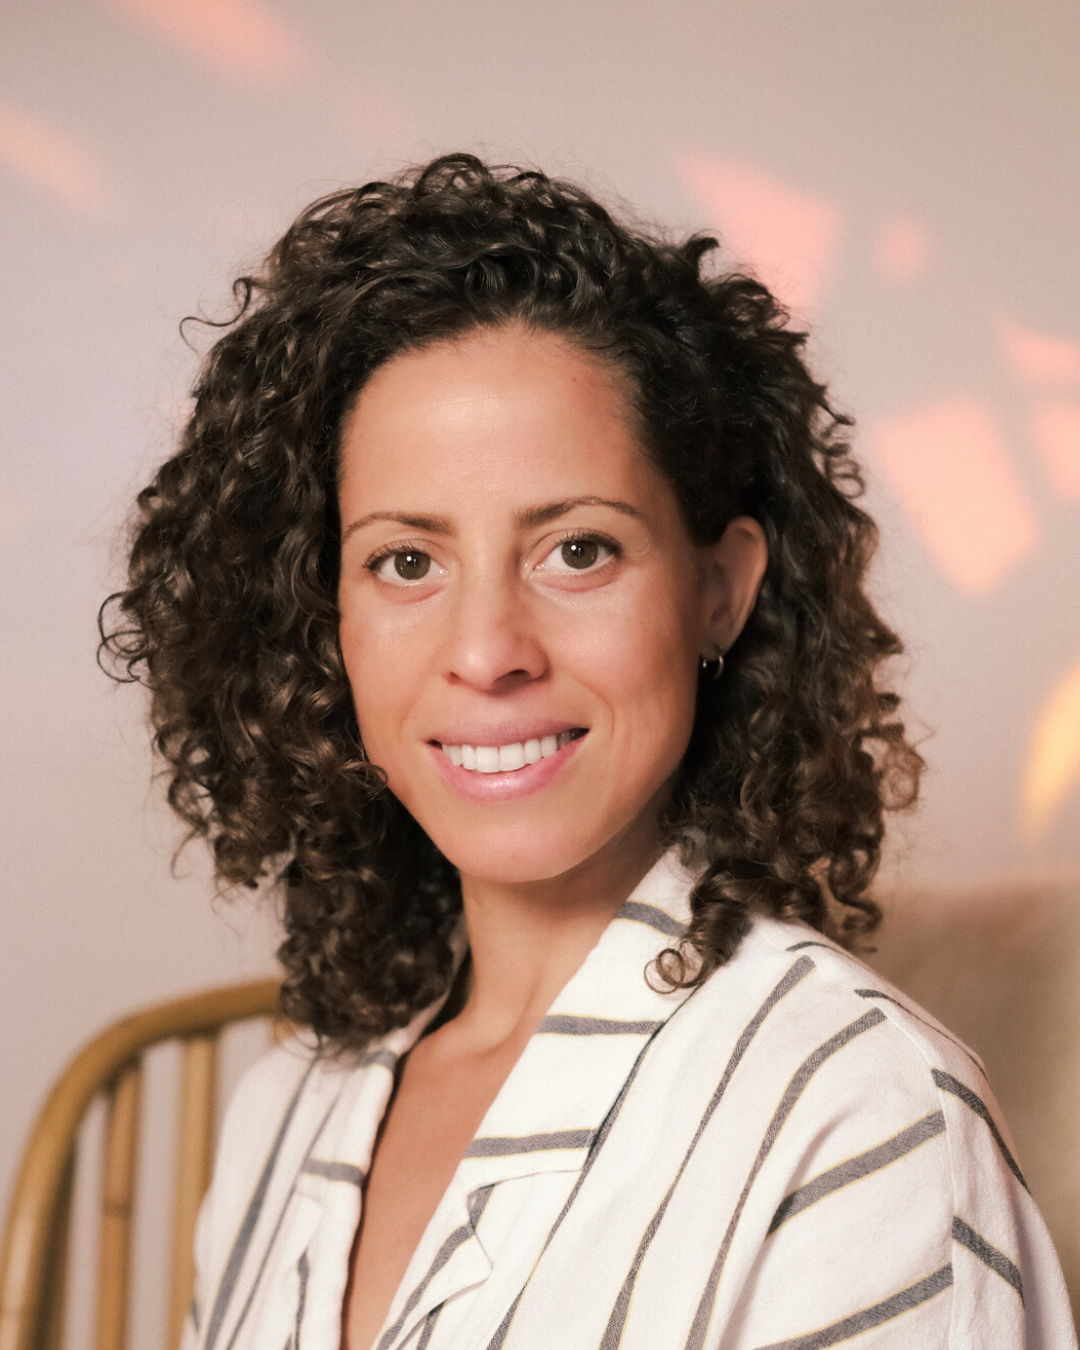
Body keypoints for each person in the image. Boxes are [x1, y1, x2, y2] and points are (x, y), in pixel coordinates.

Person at [101, 154, 1076, 1350]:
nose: (488, 651)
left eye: (578, 551)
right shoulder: (285, 1109)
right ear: (328, 624)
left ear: (719, 593)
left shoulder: (859, 1114)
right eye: (407, 561)